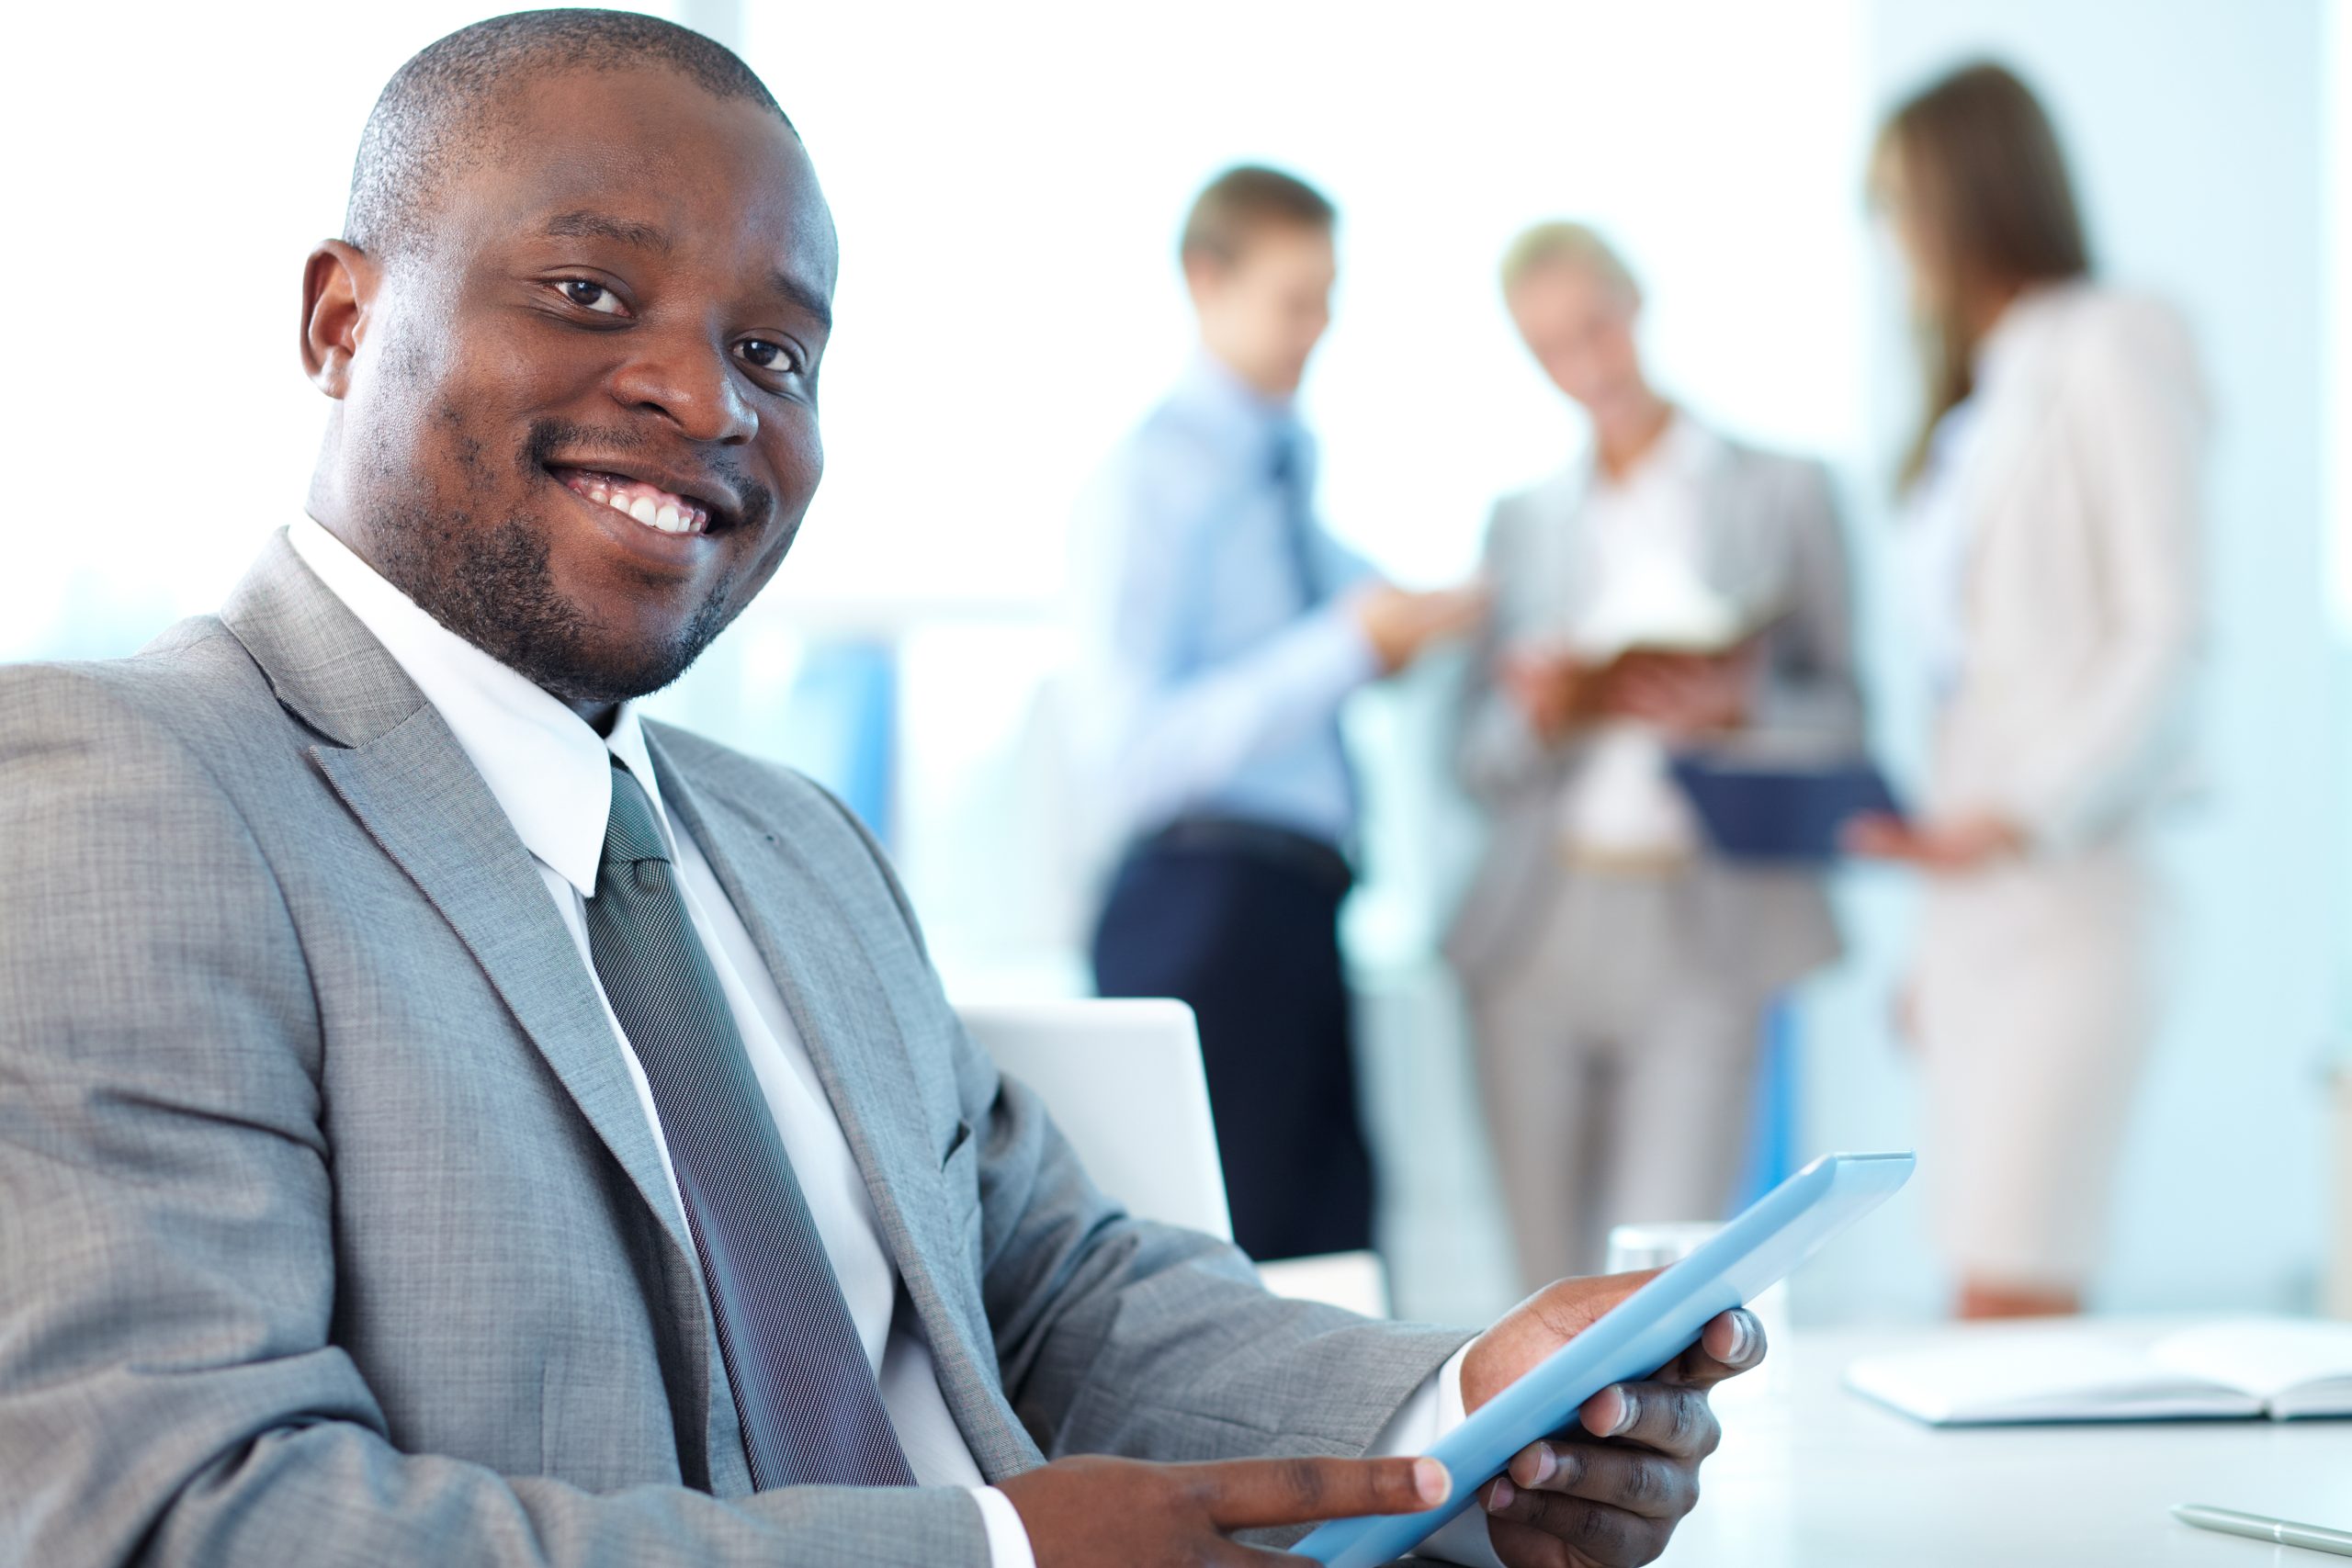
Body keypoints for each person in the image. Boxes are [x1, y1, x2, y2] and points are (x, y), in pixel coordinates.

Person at [0, 13, 1763, 1568]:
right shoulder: (124, 793)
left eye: (776, 353)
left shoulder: (795, 845)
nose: (704, 396)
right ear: (341, 316)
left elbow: (1055, 1298)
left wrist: (1466, 1417)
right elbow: (171, 1516)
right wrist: (992, 1553)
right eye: (590, 293)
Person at [1849, 62, 2206, 1320]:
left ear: (1975, 193)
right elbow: (1968, 697)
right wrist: (1932, 947)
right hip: (1973, 914)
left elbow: (2167, 635)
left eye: (1901, 202)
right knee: (1981, 1276)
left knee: (2013, 1289)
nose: (1891, 237)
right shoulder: (1975, 402)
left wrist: (2018, 815)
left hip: (2072, 892)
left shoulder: (2113, 342)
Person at [1080, 165, 1484, 1263]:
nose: (1318, 330)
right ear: (1205, 281)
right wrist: (1347, 646)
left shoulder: (1281, 478)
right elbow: (1129, 754)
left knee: (1331, 1255)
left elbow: (1363, 611)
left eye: (1328, 301)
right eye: (1294, 301)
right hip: (1203, 910)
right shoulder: (1153, 480)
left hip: (1300, 908)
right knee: (1229, 1266)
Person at [1449, 223, 1863, 1292]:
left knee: (1661, 1284)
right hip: (1538, 930)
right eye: (1549, 349)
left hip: (1704, 926)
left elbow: (1845, 715)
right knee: (1541, 1290)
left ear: (1636, 304)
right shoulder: (1519, 522)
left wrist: (1741, 711)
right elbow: (1469, 759)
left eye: (1596, 328)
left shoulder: (1782, 490)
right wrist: (1540, 716)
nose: (1586, 368)